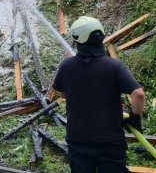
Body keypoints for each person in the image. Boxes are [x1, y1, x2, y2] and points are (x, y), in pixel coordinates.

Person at [52, 16, 145, 173]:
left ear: (77, 40)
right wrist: (135, 117)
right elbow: (138, 94)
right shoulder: (114, 66)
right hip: (110, 141)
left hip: (79, 140)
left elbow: (63, 94)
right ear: (101, 36)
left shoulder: (67, 66)